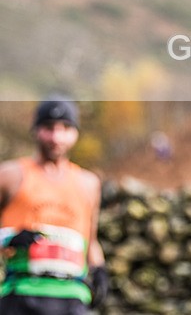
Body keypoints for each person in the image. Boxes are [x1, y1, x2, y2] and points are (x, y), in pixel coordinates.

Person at [0, 98, 109, 314]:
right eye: (49, 128)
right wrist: (9, 238)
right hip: (21, 294)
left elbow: (91, 240)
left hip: (72, 297)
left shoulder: (89, 184)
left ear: (76, 133)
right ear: (36, 130)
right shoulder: (9, 176)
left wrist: (100, 270)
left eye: (65, 128)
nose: (56, 137)